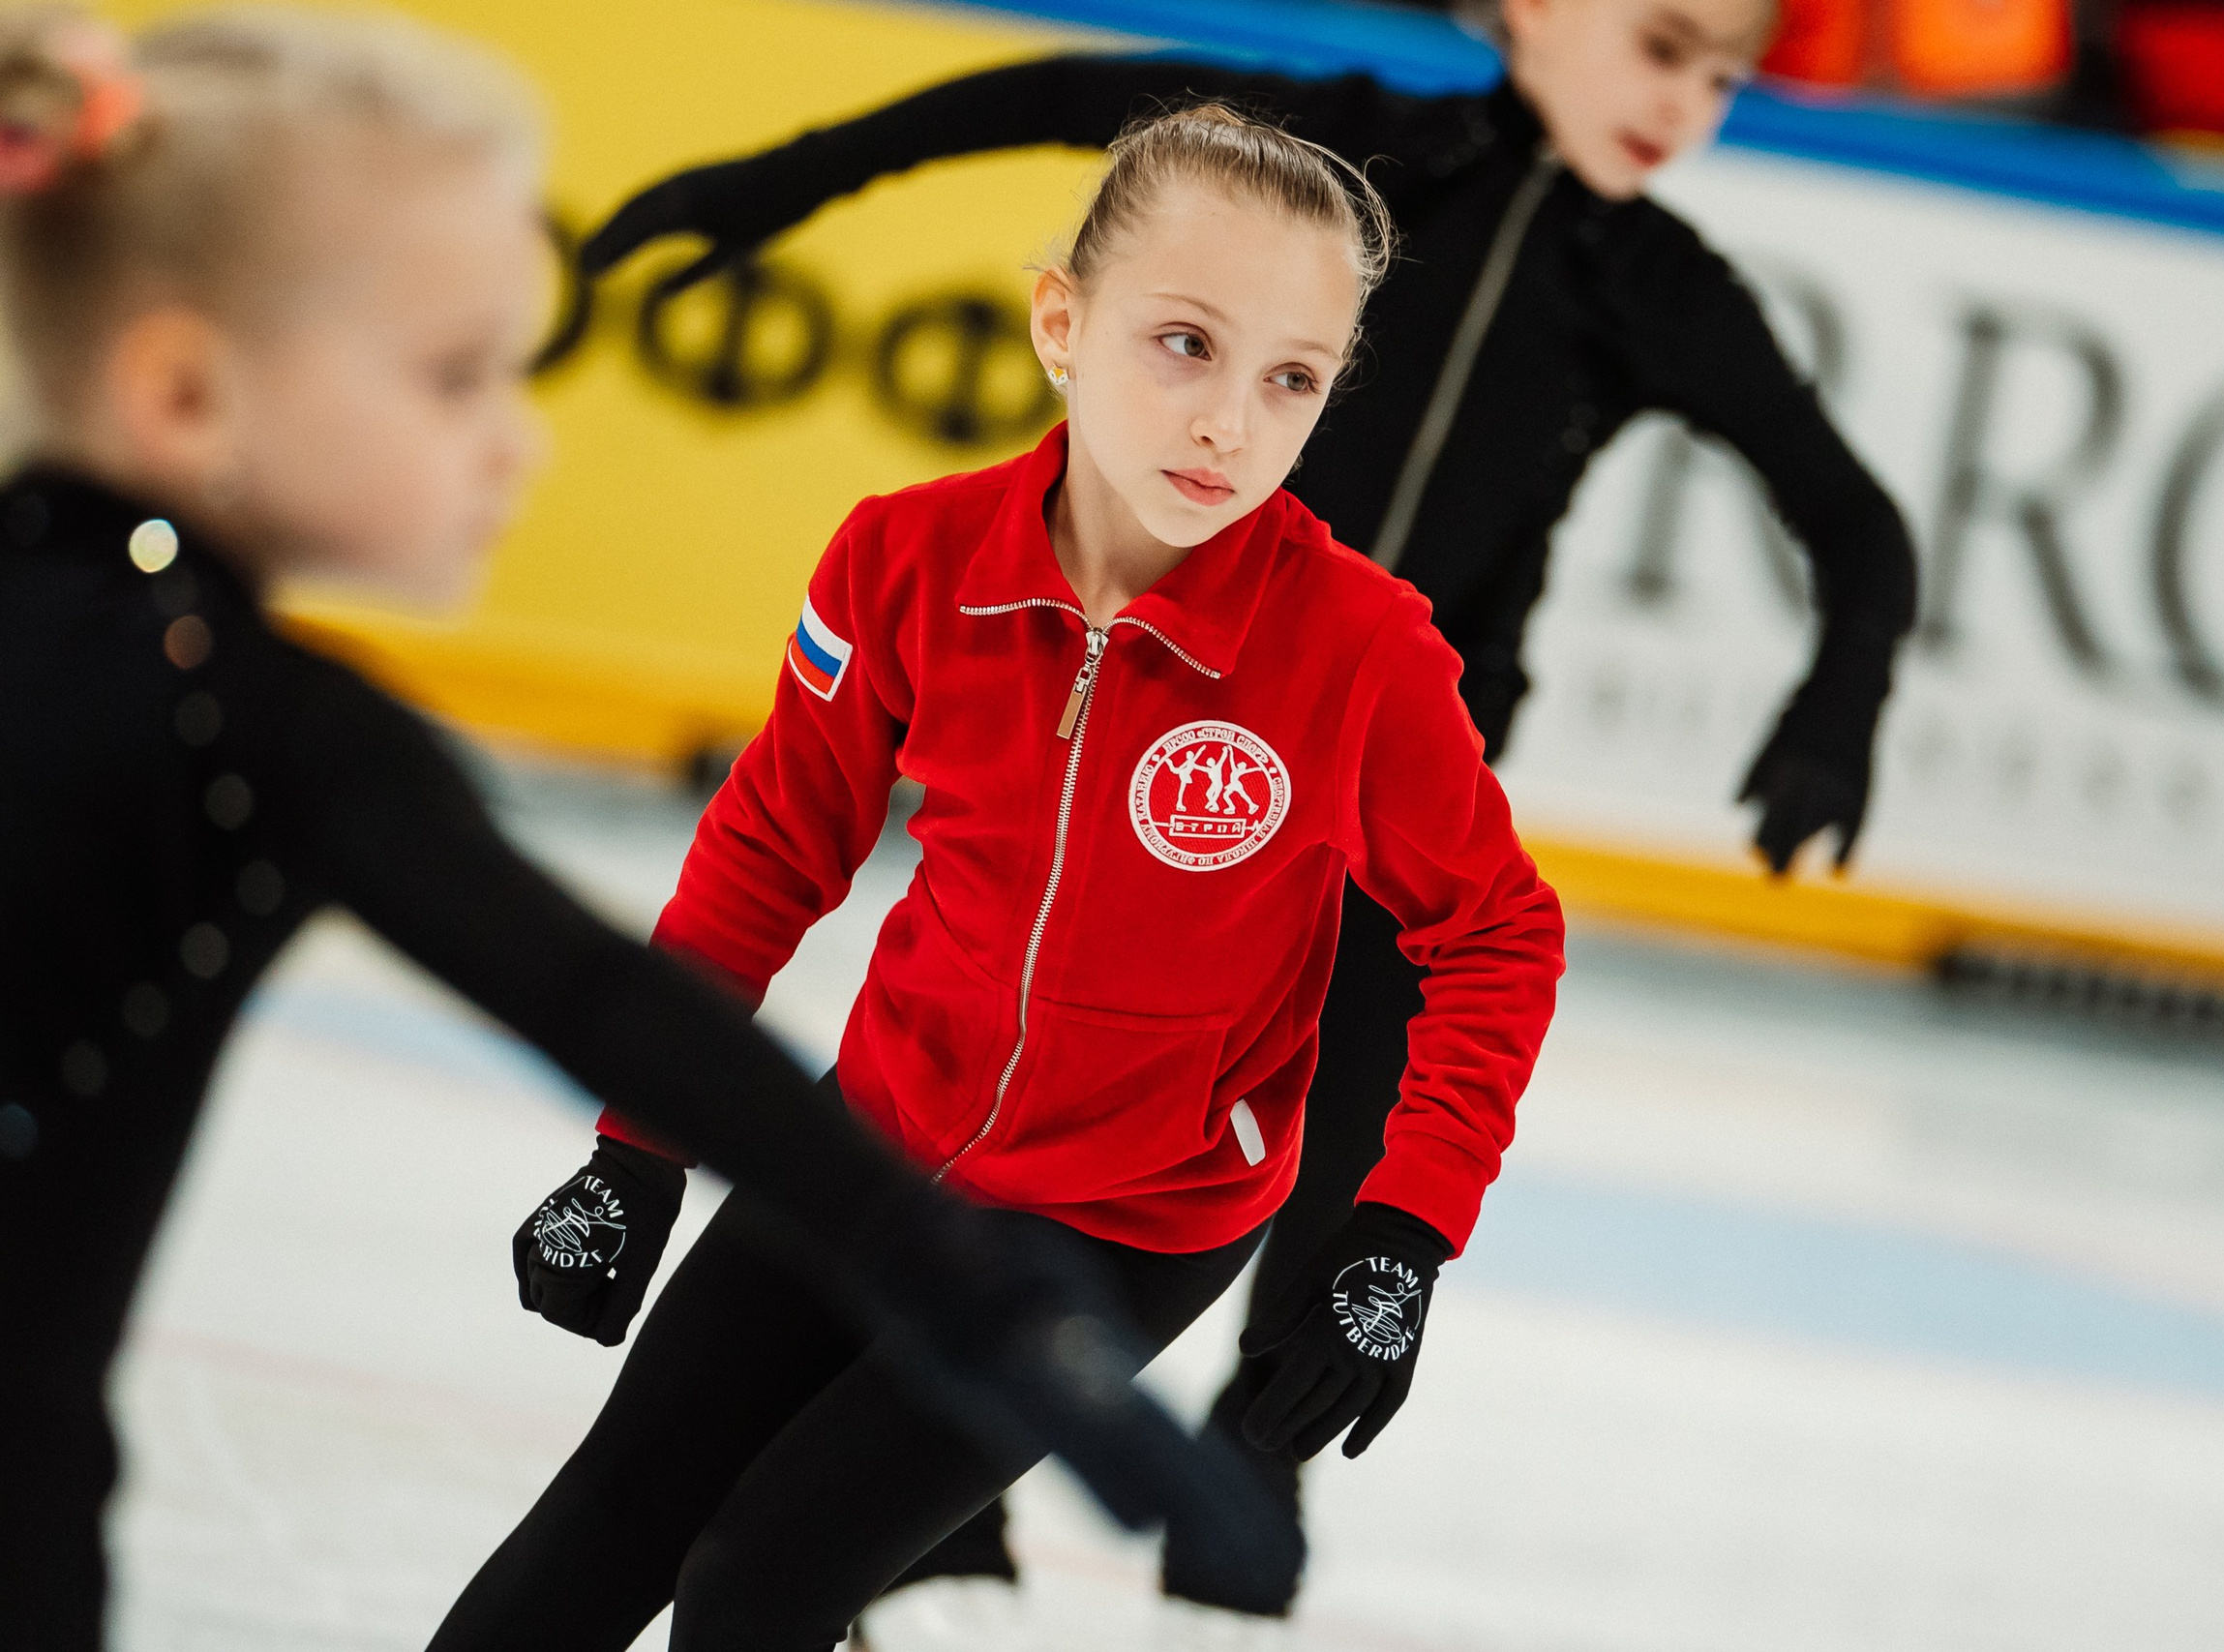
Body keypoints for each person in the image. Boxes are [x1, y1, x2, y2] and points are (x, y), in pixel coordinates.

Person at [578, 0, 1921, 1640]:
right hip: (1153, 742)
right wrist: (778, 182)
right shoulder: (1345, 165)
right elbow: (1050, 94)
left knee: (1290, 1298)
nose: (1688, 102)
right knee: (1008, 1131)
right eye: (1661, 46)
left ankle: (1206, 1486)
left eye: (1727, 76)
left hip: (1377, 796)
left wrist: (1841, 694)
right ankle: (931, 1508)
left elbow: (1856, 523)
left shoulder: (1660, 291)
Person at [0, 14, 1280, 1651]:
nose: (517, 440)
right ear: (185, 384)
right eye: (456, 375)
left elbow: (630, 1013)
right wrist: (994, 1311)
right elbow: (614, 1007)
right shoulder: (259, 734)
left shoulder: (233, 718)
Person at [434, 103, 1564, 1652]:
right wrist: (639, 1146)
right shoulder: (908, 561)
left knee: (762, 1577)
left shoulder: (1361, 655)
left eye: (1291, 380)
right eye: (1185, 345)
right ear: (1061, 322)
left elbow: (1497, 931)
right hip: (878, 1145)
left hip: (1126, 1224)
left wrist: (1398, 1237)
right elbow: (774, 846)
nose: (1230, 422)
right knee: (609, 1519)